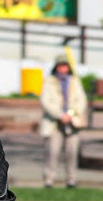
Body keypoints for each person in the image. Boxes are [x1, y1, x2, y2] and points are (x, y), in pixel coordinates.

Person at [39, 54, 88, 189]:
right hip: (55, 122)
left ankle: (71, 180)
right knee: (52, 152)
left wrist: (71, 114)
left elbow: (81, 100)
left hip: (72, 122)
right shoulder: (49, 81)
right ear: (56, 67)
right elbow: (45, 101)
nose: (63, 68)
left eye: (65, 66)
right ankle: (49, 179)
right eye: (60, 66)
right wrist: (60, 114)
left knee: (72, 152)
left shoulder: (74, 81)